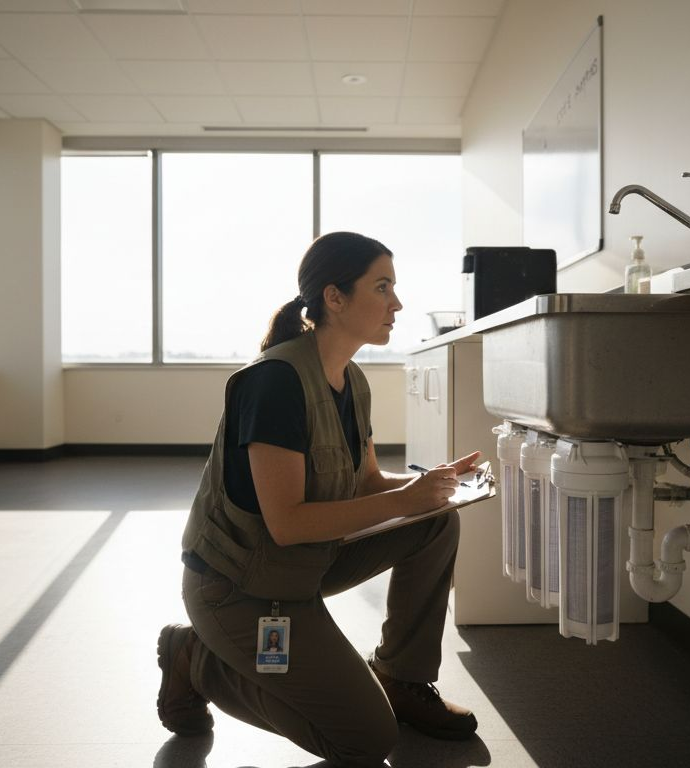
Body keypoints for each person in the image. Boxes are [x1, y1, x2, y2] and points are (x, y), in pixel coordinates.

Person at [156, 231, 481, 767]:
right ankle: (194, 659)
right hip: (237, 586)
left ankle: (403, 679)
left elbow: (369, 483)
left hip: (298, 566)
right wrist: (410, 498)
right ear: (335, 297)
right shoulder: (275, 383)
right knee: (365, 740)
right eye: (382, 287)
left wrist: (434, 486)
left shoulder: (351, 379)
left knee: (436, 520)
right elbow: (286, 523)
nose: (396, 303)